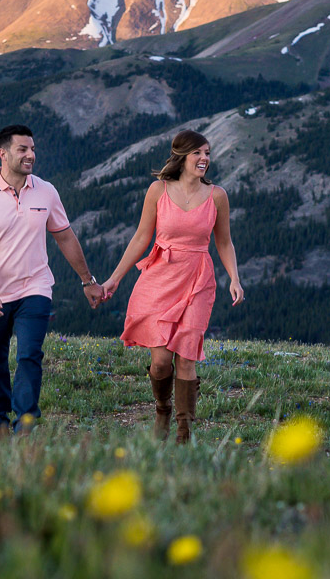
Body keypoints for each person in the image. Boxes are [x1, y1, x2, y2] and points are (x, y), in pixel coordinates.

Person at [0, 124, 104, 437]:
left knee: (29, 354)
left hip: (34, 289)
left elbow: (65, 238)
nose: (30, 155)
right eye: (23, 149)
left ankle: (24, 423)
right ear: (3, 153)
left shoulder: (46, 191)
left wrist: (87, 280)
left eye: (33, 149)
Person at [100, 129, 244, 444]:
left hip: (197, 280)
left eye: (207, 153)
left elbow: (224, 241)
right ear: (182, 156)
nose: (204, 158)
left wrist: (234, 277)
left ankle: (183, 432)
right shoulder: (158, 190)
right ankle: (163, 407)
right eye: (198, 153)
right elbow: (141, 237)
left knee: (187, 355)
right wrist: (115, 278)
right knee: (161, 361)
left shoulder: (217, 195)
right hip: (159, 277)